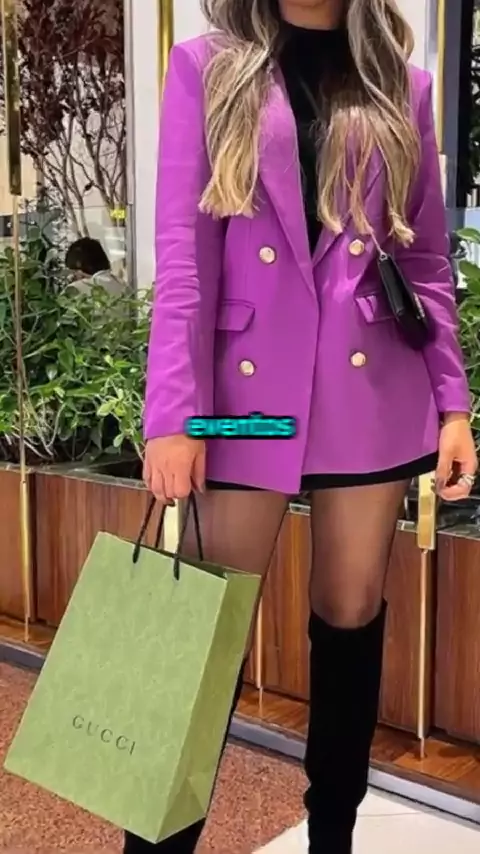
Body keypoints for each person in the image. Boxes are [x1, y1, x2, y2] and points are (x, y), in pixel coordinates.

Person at [135, 1, 478, 852]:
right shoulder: (207, 67)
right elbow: (184, 255)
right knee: (203, 630)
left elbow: (426, 260)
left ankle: (333, 837)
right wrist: (172, 415)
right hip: (242, 399)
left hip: (369, 393)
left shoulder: (401, 83)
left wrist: (453, 404)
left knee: (351, 615)